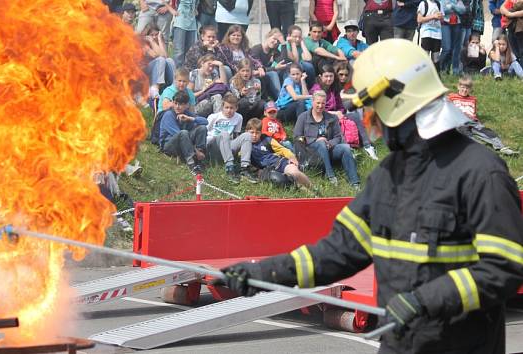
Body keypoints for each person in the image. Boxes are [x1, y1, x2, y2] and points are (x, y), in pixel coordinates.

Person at [218, 39, 523, 354]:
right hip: (399, 345)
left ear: (396, 104)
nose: (369, 123)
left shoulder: (481, 173)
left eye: (371, 112)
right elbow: (339, 251)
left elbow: (503, 267)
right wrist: (265, 273)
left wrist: (426, 301)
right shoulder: (388, 177)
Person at [310, 65, 379, 160]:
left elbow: (341, 106)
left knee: (354, 116)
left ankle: (368, 146)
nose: (329, 79)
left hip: (337, 114)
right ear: (320, 76)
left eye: (331, 76)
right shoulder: (316, 89)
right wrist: (334, 114)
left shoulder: (334, 88)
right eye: (326, 76)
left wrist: (341, 113)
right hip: (323, 118)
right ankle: (349, 149)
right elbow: (316, 109)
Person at [294, 90, 360, 187]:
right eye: (318, 103)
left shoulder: (332, 118)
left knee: (345, 147)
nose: (320, 106)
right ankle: (330, 175)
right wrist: (315, 140)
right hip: (310, 152)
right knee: (321, 143)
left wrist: (329, 144)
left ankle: (355, 182)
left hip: (328, 149)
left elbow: (338, 137)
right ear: (312, 102)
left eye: (323, 103)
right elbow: (297, 137)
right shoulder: (303, 117)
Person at [449, 75, 518, 155]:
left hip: (473, 121)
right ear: (458, 87)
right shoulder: (452, 96)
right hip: (459, 121)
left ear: (470, 89)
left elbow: (473, 112)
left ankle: (501, 147)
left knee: (488, 132)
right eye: (462, 87)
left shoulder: (473, 99)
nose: (464, 90)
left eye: (467, 88)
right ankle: (480, 150)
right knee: (466, 135)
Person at [206, 93, 258, 183]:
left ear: (236, 108)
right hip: (213, 146)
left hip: (227, 145)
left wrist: (238, 148)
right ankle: (230, 168)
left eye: (232, 108)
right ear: (222, 106)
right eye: (227, 107)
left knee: (247, 135)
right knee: (224, 134)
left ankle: (244, 168)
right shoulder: (213, 117)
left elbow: (236, 135)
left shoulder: (238, 117)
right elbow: (204, 133)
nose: (229, 111)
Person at [247, 118, 313, 188]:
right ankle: (302, 189)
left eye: (257, 133)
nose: (254, 135)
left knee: (294, 172)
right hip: (265, 170)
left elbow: (282, 149)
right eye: (252, 132)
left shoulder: (266, 140)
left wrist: (292, 157)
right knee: (280, 180)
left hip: (279, 162)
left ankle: (312, 188)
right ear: (246, 132)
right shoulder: (245, 144)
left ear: (261, 132)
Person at [159, 90, 208, 175]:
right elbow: (179, 134)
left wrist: (190, 118)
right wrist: (195, 151)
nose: (177, 107)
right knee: (183, 133)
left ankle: (199, 160)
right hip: (168, 145)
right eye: (175, 103)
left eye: (181, 104)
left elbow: (205, 122)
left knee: (202, 128)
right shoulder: (168, 115)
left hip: (184, 143)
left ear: (186, 105)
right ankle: (192, 164)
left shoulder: (186, 113)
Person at [141, 24, 176, 100]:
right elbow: (156, 55)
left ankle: (173, 87)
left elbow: (165, 56)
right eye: (151, 35)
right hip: (146, 73)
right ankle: (154, 88)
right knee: (160, 60)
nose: (154, 37)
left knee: (170, 61)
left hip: (159, 71)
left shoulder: (159, 41)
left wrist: (160, 40)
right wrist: (152, 41)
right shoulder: (144, 44)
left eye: (156, 34)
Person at [250, 28, 287, 100]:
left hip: (265, 73)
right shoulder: (257, 49)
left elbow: (282, 61)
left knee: (285, 70)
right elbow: (257, 69)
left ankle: (288, 95)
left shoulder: (273, 50)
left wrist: (283, 44)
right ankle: (280, 98)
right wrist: (275, 68)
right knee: (273, 73)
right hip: (255, 74)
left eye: (278, 41)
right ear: (268, 37)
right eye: (274, 38)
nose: (275, 42)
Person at [229, 59, 265, 125]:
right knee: (244, 102)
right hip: (241, 109)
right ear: (239, 71)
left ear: (251, 71)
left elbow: (258, 99)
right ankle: (243, 123)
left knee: (262, 103)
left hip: (252, 107)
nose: (245, 73)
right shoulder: (234, 81)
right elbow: (234, 100)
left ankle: (253, 122)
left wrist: (258, 91)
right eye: (243, 71)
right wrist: (241, 94)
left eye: (247, 71)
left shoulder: (256, 81)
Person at [439, 0, 466, 75]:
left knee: (454, 49)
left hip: (457, 24)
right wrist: (455, 8)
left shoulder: (457, 0)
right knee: (447, 49)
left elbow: (463, 10)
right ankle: (440, 68)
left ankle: (448, 70)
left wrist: (452, 6)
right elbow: (442, 10)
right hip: (445, 24)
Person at [171, 0, 199, 68]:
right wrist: (171, 9)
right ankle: (177, 74)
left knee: (189, 51)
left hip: (192, 23)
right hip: (180, 22)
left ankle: (186, 73)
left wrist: (196, 8)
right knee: (179, 51)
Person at [417, 0, 444, 67]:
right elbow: (419, 19)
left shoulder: (438, 3)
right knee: (425, 56)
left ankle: (436, 74)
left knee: (436, 57)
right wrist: (433, 16)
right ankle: (424, 74)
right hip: (426, 33)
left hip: (437, 33)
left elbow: (442, 19)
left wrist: (440, 17)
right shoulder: (423, 3)